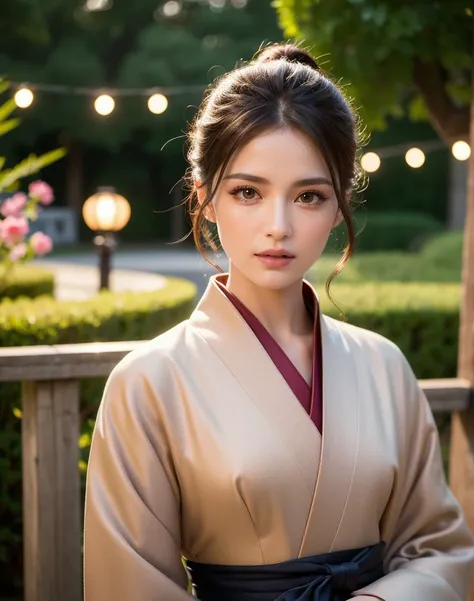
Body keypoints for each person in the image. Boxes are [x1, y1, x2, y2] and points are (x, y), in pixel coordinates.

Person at [83, 43, 474, 600]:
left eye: (309, 196)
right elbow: (128, 584)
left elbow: (440, 549)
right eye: (248, 192)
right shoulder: (147, 382)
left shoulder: (384, 366)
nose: (278, 226)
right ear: (206, 199)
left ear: (339, 206)